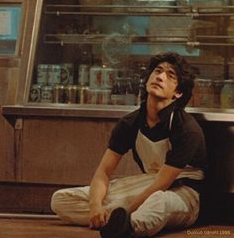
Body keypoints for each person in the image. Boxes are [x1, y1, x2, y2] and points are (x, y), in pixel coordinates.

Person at [51, 52, 207, 238]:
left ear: (178, 92)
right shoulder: (129, 123)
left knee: (159, 202)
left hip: (183, 194)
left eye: (170, 75)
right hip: (146, 185)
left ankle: (128, 227)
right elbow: (103, 173)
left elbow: (161, 184)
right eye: (157, 71)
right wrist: (95, 207)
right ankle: (112, 220)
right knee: (61, 199)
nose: (160, 76)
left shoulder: (187, 129)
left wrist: (126, 210)